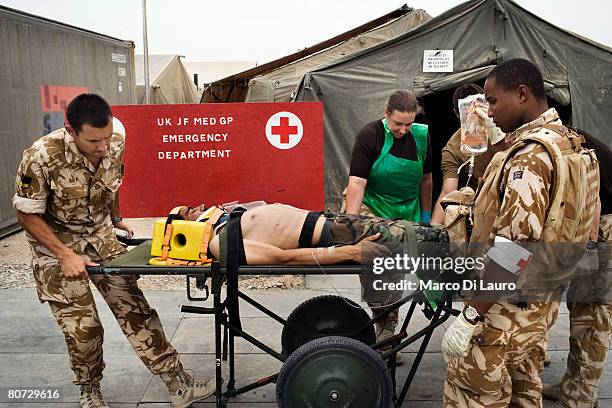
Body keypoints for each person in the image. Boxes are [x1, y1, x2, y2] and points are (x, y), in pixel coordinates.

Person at [13, 94, 215, 408]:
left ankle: (179, 383)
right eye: (94, 140)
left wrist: (115, 218)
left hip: (102, 237)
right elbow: (26, 213)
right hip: (56, 248)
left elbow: (112, 181)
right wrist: (65, 254)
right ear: (72, 130)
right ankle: (89, 390)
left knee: (137, 312)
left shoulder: (114, 141)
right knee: (85, 329)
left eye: (107, 137)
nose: (104, 146)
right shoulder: (41, 155)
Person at [441, 59, 599, 407]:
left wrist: (471, 316)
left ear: (523, 94)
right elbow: (587, 224)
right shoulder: (572, 144)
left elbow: (514, 249)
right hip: (540, 304)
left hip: (504, 304)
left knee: (472, 392)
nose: (489, 111)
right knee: (524, 386)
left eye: (494, 101)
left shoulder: (530, 158)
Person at [343, 90, 433, 353]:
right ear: (386, 114)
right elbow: (357, 183)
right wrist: (352, 223)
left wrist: (426, 218)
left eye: (408, 124)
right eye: (397, 124)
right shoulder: (370, 135)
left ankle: (387, 324)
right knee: (376, 254)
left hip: (407, 207)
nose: (403, 130)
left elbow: (426, 180)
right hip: (373, 204)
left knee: (398, 264)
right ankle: (382, 323)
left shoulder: (422, 136)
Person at [541, 128, 612, 408]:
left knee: (594, 315)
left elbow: (590, 201)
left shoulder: (558, 143)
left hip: (603, 224)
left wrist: (585, 253)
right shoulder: (551, 137)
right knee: (580, 309)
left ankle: (580, 400)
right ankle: (573, 386)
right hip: (591, 224)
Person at [430, 83, 509, 225]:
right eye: (468, 112)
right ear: (457, 113)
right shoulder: (453, 149)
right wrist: (433, 230)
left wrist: (497, 133)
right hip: (484, 209)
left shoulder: (507, 128)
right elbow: (448, 192)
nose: (473, 116)